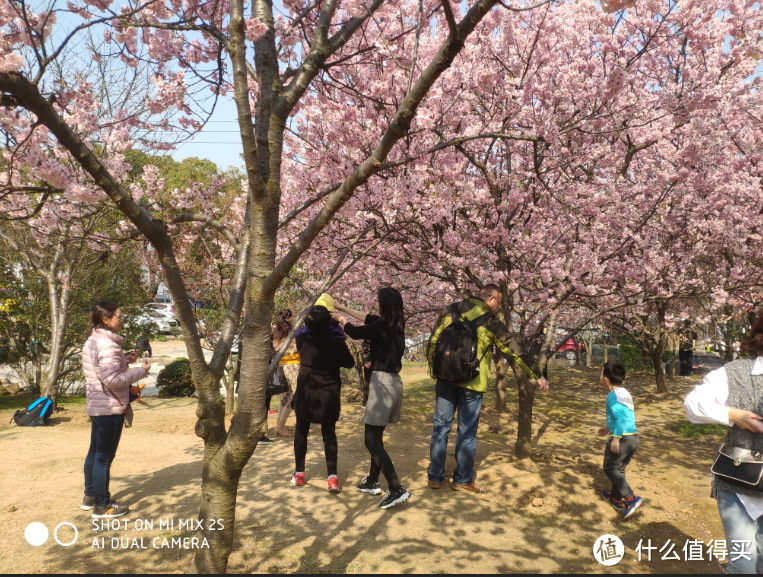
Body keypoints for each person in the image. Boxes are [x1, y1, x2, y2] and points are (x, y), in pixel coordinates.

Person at [426, 284, 549, 494]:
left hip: (445, 378)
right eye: (499, 303)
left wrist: (432, 367)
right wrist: (537, 374)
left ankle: (435, 477)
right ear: (491, 299)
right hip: (473, 385)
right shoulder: (491, 322)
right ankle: (462, 480)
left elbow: (434, 341)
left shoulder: (450, 310)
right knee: (467, 433)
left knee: (440, 427)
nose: (498, 308)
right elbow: (514, 348)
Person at [684, 316, 763, 573]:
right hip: (739, 482)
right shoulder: (737, 373)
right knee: (744, 566)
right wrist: (733, 414)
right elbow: (693, 404)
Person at [332, 288, 411, 510]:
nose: (375, 304)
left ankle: (395, 488)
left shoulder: (383, 326)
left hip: (382, 384)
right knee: (376, 436)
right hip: (394, 383)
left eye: (378, 301)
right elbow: (366, 319)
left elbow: (356, 332)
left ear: (384, 304)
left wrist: (340, 319)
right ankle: (372, 480)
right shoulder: (393, 324)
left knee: (371, 440)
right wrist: (341, 307)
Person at [82, 301, 151, 519]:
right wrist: (141, 371)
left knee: (94, 454)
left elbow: (103, 372)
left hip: (97, 405)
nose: (122, 320)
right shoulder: (108, 345)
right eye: (119, 316)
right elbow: (112, 381)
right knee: (103, 458)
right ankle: (102, 506)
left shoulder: (94, 340)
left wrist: (125, 361)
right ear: (106, 319)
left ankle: (90, 497)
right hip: (110, 407)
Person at [291, 305, 355, 492]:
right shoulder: (336, 342)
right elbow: (350, 363)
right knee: (329, 435)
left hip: (306, 392)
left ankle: (299, 474)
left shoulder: (302, 339)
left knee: (301, 432)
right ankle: (332, 478)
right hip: (329, 394)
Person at [597, 361, 642, 519]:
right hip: (633, 438)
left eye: (601, 373)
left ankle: (631, 498)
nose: (600, 376)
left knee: (610, 468)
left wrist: (616, 438)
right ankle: (616, 499)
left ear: (606, 379)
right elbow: (625, 416)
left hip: (623, 439)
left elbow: (621, 417)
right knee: (619, 469)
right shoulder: (624, 393)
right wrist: (608, 427)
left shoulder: (612, 396)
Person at [273, 310, 299, 437]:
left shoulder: (276, 334)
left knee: (285, 396)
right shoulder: (293, 334)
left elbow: (276, 349)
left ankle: (279, 426)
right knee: (293, 397)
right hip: (293, 366)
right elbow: (281, 349)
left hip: (282, 367)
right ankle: (280, 426)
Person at [361, 339, 372, 408]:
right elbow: (362, 353)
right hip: (367, 365)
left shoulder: (377, 341)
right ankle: (365, 402)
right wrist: (365, 362)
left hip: (377, 365)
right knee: (367, 383)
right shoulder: (364, 344)